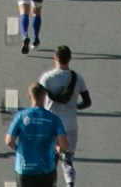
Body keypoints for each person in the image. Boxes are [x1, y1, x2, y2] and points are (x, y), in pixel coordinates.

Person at [40, 46, 92, 187]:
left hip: (51, 124)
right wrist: (74, 107)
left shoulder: (47, 79)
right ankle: (70, 182)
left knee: (51, 159)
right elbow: (87, 102)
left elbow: (38, 101)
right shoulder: (77, 78)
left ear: (55, 58)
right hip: (70, 125)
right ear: (69, 59)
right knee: (67, 159)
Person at [6, 81, 70, 187]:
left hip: (24, 169)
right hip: (46, 169)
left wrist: (19, 151)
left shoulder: (20, 116)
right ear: (44, 96)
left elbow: (9, 141)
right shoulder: (53, 119)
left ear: (29, 96)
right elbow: (64, 146)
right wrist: (57, 149)